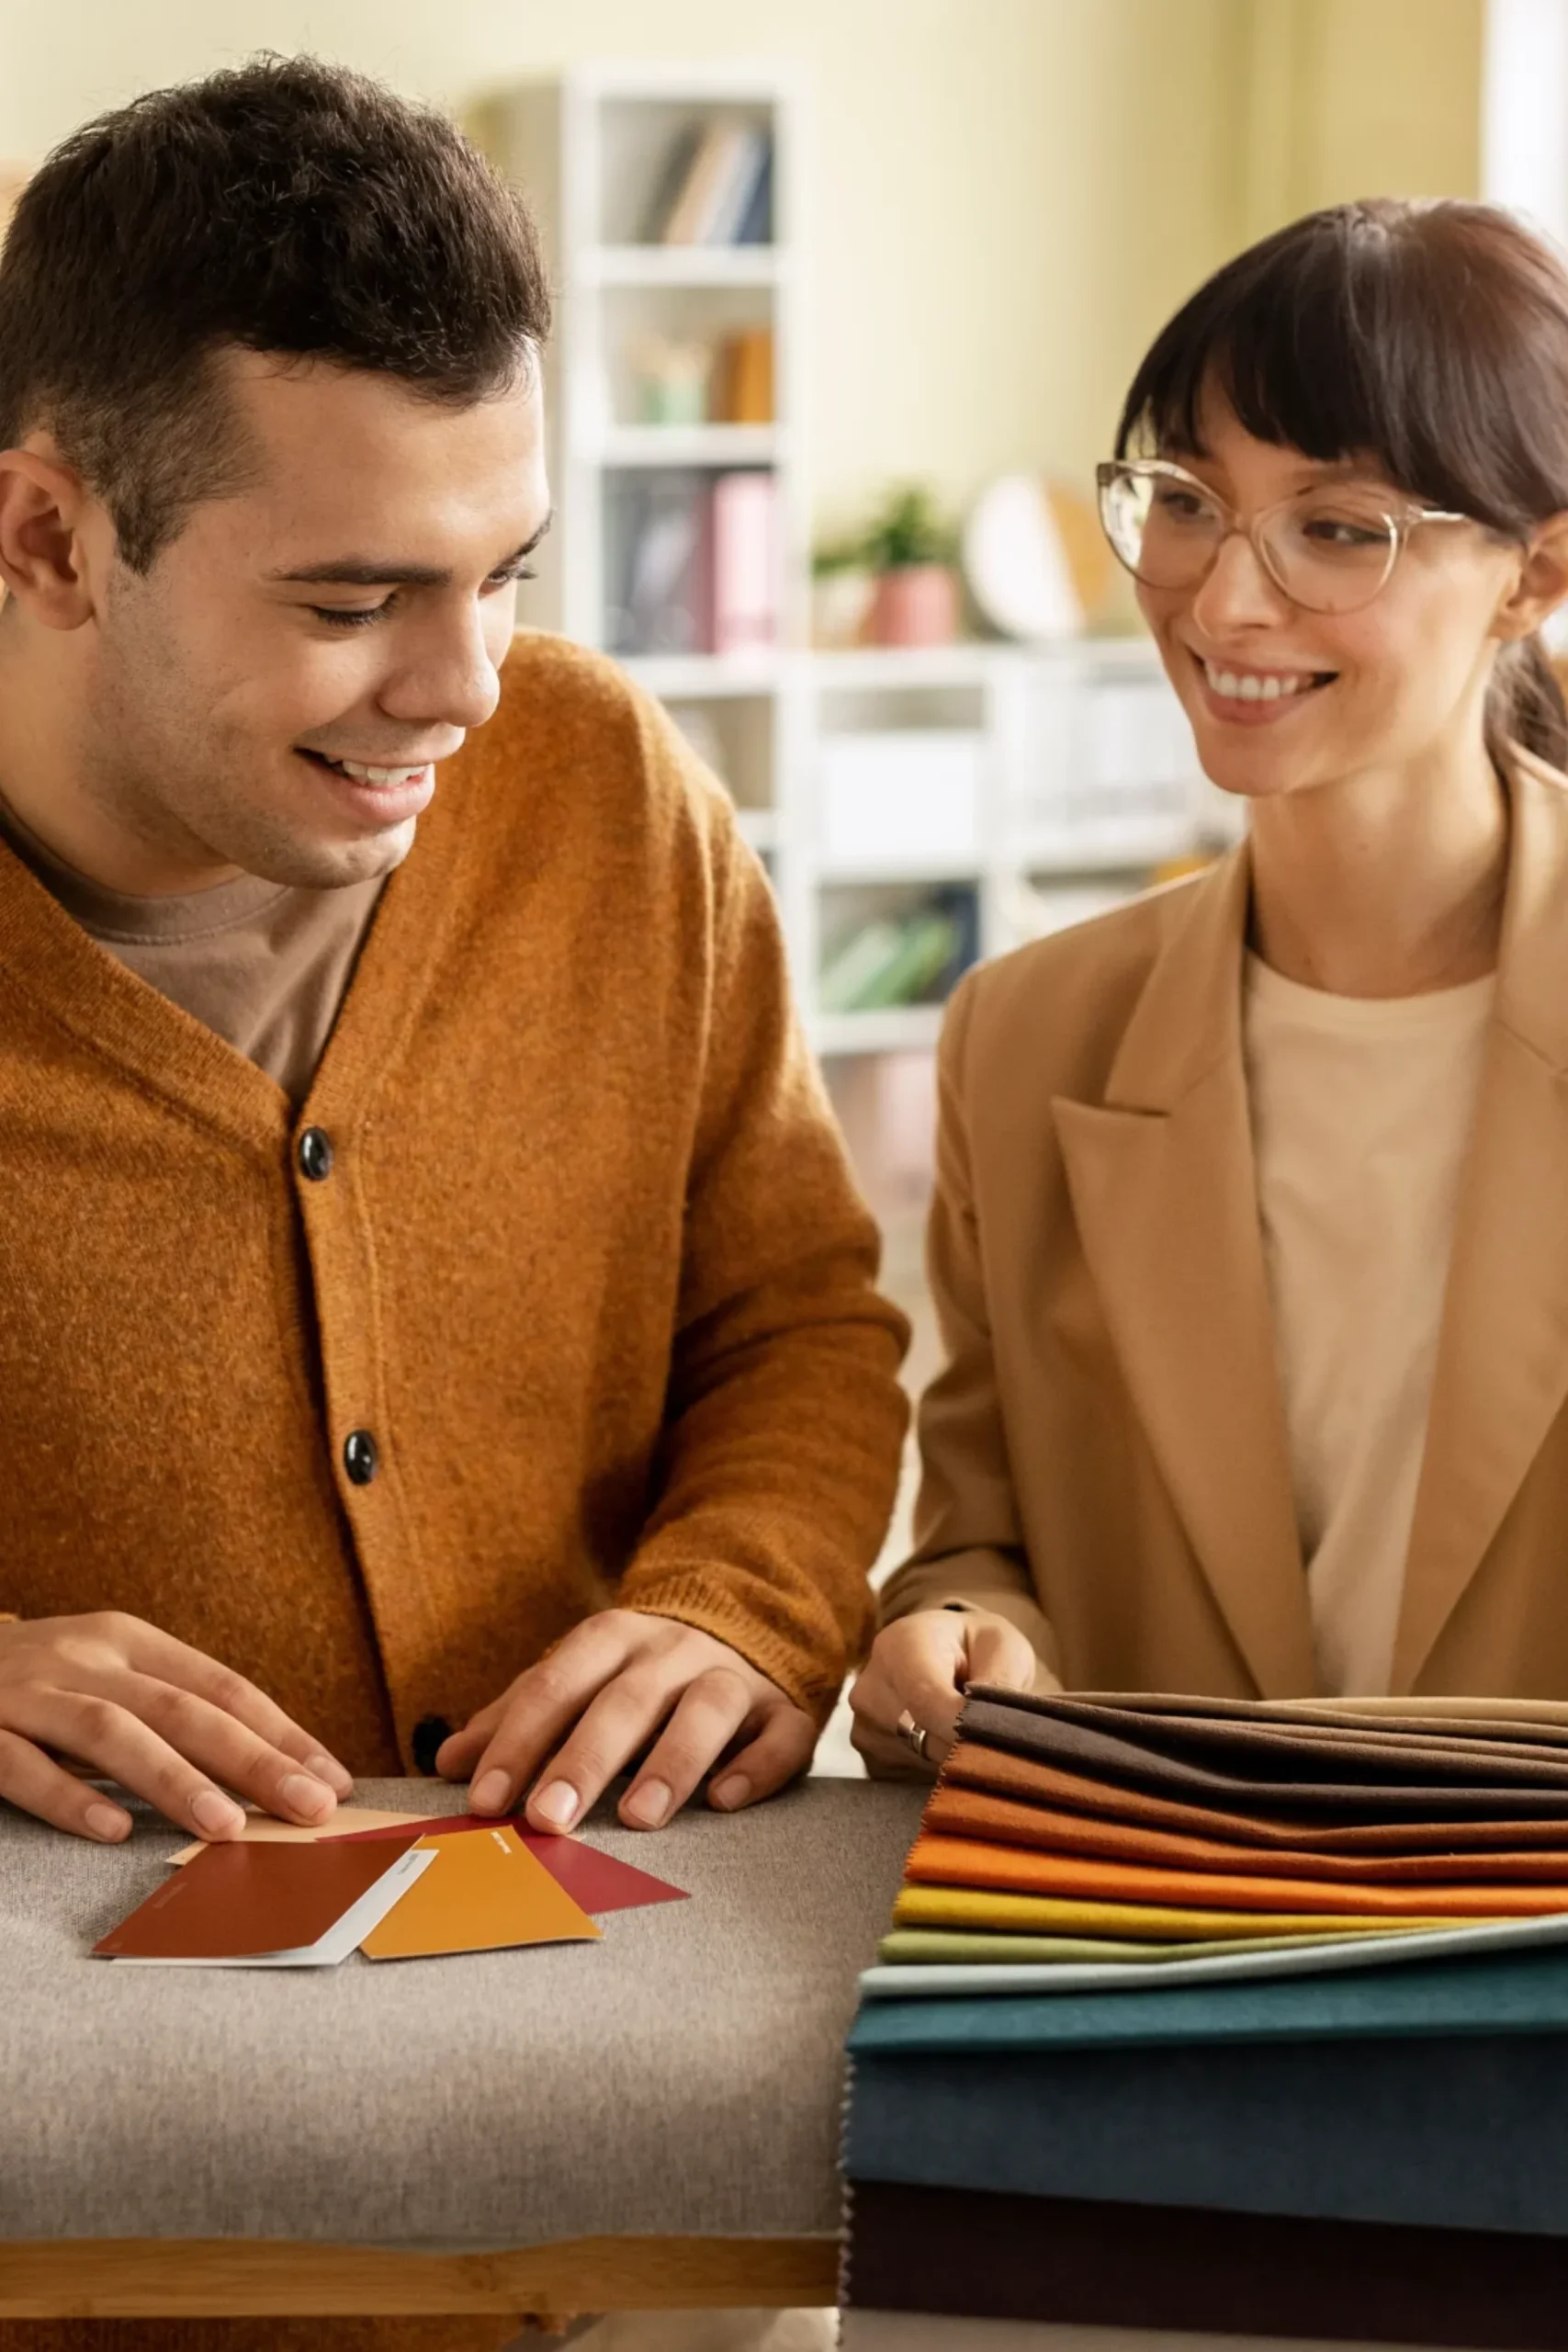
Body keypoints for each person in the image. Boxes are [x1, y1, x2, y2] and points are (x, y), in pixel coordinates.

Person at [0, 55, 908, 2352]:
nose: (467, 682)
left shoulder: (607, 783)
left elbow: (796, 1315)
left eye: (506, 572)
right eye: (356, 596)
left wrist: (744, 1597)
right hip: (106, 2228)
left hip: (637, 2179)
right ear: (44, 537)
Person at [852, 196, 1568, 1774]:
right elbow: (980, 1540)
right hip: (1157, 1954)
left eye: (1333, 527)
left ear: (1532, 573)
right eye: (1184, 500)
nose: (1223, 602)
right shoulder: (1023, 1039)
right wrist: (950, 1629)